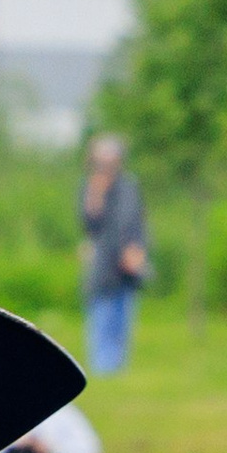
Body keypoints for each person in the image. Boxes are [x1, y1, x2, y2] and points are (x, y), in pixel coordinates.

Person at [80, 133, 149, 379]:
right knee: (102, 314)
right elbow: (89, 224)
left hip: (127, 262)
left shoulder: (129, 186)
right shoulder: (90, 187)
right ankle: (102, 369)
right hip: (102, 264)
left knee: (123, 316)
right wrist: (96, 194)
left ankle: (117, 369)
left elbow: (137, 221)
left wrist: (138, 249)